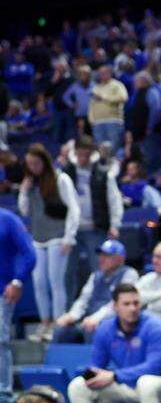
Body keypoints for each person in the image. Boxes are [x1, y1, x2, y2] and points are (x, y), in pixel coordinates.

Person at [67, 283, 161, 403]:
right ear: (115, 307)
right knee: (78, 386)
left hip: (157, 385)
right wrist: (93, 375)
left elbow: (154, 367)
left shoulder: (156, 327)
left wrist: (114, 376)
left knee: (146, 383)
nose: (133, 308)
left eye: (136, 303)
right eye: (126, 304)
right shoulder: (105, 329)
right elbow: (96, 365)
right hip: (124, 386)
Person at [20, 142, 80, 342]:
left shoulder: (60, 179)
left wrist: (69, 237)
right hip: (37, 239)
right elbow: (25, 211)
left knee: (56, 282)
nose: (33, 168)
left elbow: (74, 208)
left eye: (36, 163)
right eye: (29, 164)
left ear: (44, 162)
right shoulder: (31, 184)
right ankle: (44, 322)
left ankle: (57, 324)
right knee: (39, 283)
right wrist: (23, 191)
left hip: (58, 237)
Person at [62, 135, 123, 299]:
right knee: (66, 273)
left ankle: (100, 307)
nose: (83, 158)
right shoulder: (65, 172)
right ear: (75, 152)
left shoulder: (103, 173)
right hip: (70, 231)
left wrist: (115, 225)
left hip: (95, 229)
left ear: (92, 153)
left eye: (86, 155)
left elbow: (114, 200)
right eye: (80, 154)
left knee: (100, 271)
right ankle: (67, 311)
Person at [52, 239, 139, 344]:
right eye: (100, 255)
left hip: (113, 320)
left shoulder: (129, 274)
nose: (101, 259)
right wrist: (71, 315)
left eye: (107, 256)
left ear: (119, 259)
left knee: (93, 329)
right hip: (89, 319)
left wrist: (97, 318)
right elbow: (83, 300)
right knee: (61, 330)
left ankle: (95, 360)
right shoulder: (95, 276)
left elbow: (119, 304)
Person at [0, 211, 34, 403]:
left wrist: (17, 281)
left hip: (2, 290)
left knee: (0, 340)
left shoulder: (8, 219)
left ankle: (3, 391)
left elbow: (29, 253)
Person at [88, 64, 128, 153]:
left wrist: (104, 98)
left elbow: (123, 97)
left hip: (113, 120)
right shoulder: (96, 88)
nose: (101, 75)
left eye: (104, 73)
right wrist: (91, 119)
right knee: (100, 148)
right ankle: (104, 165)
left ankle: (114, 165)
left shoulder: (117, 85)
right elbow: (91, 104)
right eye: (100, 73)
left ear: (110, 73)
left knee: (114, 148)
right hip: (97, 122)